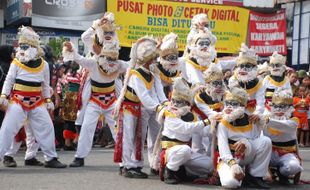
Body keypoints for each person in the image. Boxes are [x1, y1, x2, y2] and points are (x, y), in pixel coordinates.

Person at [0, 26, 66, 168]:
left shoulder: (43, 65)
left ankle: (51, 158)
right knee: (7, 129)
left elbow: (45, 85)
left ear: (34, 47)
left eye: (26, 46)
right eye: (22, 46)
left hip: (37, 102)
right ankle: (4, 156)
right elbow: (9, 80)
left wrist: (48, 100)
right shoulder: (16, 62)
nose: (23, 49)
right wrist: (4, 96)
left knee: (47, 127)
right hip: (18, 101)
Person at [62, 35, 127, 167]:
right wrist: (72, 49)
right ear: (102, 56)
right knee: (86, 128)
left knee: (118, 130)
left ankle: (125, 161)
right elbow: (79, 58)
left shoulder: (119, 65)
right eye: (108, 58)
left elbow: (133, 64)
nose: (111, 61)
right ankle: (79, 157)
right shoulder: (93, 63)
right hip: (95, 101)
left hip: (111, 102)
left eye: (114, 58)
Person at [113, 36, 165, 178]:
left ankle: (135, 165)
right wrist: (159, 108)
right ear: (148, 60)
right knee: (128, 136)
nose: (155, 61)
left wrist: (164, 103)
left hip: (139, 107)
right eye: (153, 58)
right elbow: (145, 97)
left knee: (139, 137)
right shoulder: (136, 74)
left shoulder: (151, 71)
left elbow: (157, 90)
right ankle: (127, 166)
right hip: (129, 107)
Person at [157, 77, 213, 184]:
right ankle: (169, 171)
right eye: (173, 101)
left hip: (186, 152)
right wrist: (207, 121)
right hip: (171, 152)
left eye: (179, 102)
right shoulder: (169, 114)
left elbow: (204, 132)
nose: (175, 104)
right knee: (185, 149)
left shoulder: (192, 116)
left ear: (187, 104)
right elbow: (185, 128)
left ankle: (185, 170)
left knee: (209, 164)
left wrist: (217, 122)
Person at [217, 87, 271, 189]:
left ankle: (255, 176)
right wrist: (233, 165)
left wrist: (260, 120)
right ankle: (240, 176)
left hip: (246, 155)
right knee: (230, 184)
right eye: (228, 103)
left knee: (265, 141)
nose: (230, 107)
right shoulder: (223, 122)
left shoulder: (250, 118)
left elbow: (256, 139)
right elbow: (223, 147)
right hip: (230, 159)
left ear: (242, 106)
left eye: (234, 104)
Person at [264, 88, 303, 185]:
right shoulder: (266, 119)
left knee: (294, 167)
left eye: (282, 107)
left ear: (289, 108)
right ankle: (266, 172)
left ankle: (282, 173)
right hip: (269, 154)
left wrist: (267, 121)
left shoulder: (294, 121)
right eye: (276, 106)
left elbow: (283, 125)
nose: (279, 110)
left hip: (286, 153)